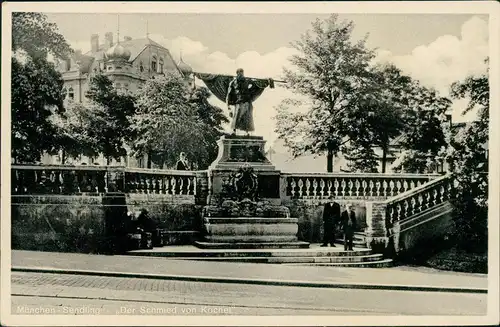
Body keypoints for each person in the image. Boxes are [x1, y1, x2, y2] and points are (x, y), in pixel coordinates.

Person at [226, 68, 256, 135]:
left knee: (247, 117)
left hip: (247, 101)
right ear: (237, 73)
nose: (241, 73)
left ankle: (247, 132)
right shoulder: (233, 82)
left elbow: (255, 85)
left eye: (242, 72)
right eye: (240, 72)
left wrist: (249, 92)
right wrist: (228, 107)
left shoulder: (248, 80)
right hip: (239, 101)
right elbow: (229, 95)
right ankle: (234, 131)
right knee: (237, 117)